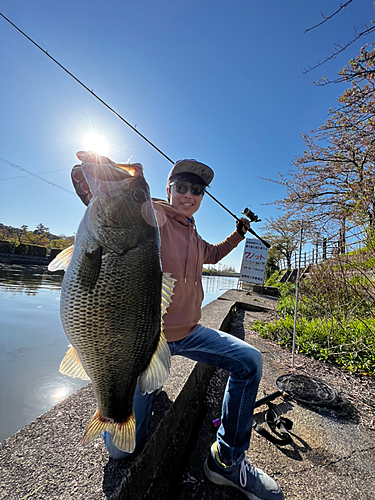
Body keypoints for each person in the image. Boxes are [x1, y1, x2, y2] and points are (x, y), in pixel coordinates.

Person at [71, 156, 284, 500]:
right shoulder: (151, 217)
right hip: (147, 343)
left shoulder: (193, 233)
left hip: (191, 333)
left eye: (197, 190)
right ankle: (142, 389)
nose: (189, 195)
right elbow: (105, 207)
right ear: (169, 190)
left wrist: (238, 233)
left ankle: (226, 461)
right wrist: (100, 177)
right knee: (121, 451)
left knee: (251, 361)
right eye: (182, 187)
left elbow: (213, 255)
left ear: (202, 197)